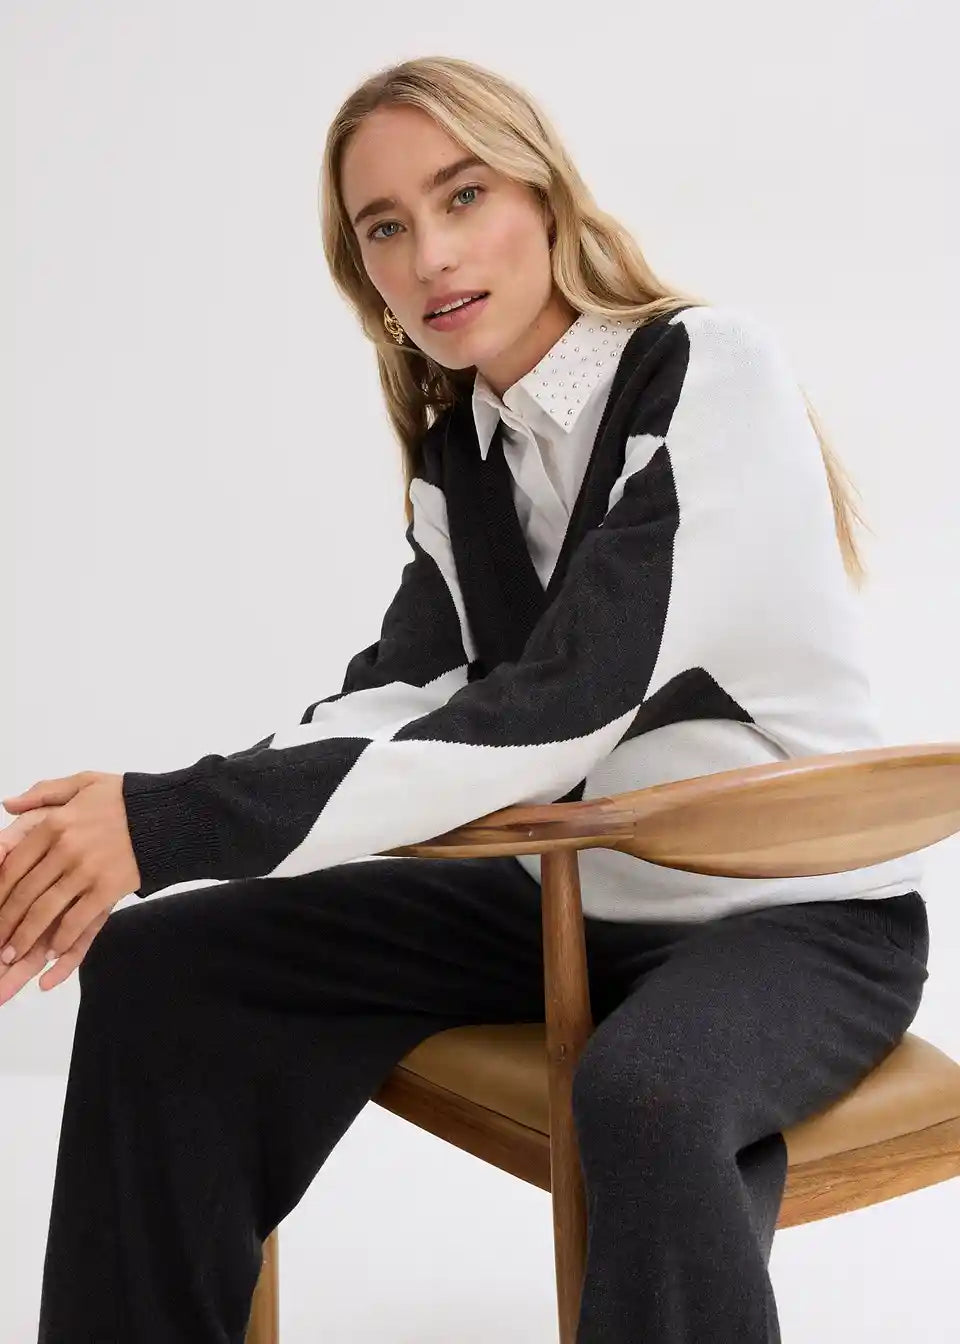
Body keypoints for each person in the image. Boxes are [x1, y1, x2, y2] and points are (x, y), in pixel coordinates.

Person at [13, 54, 929, 1343]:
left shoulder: (707, 373)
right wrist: (136, 817)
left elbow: (562, 709)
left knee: (648, 1096)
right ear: (367, 277)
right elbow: (396, 700)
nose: (432, 254)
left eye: (463, 195)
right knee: (168, 965)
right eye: (385, 227)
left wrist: (169, 826)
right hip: (571, 893)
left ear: (544, 197)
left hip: (796, 921)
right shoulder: (466, 456)